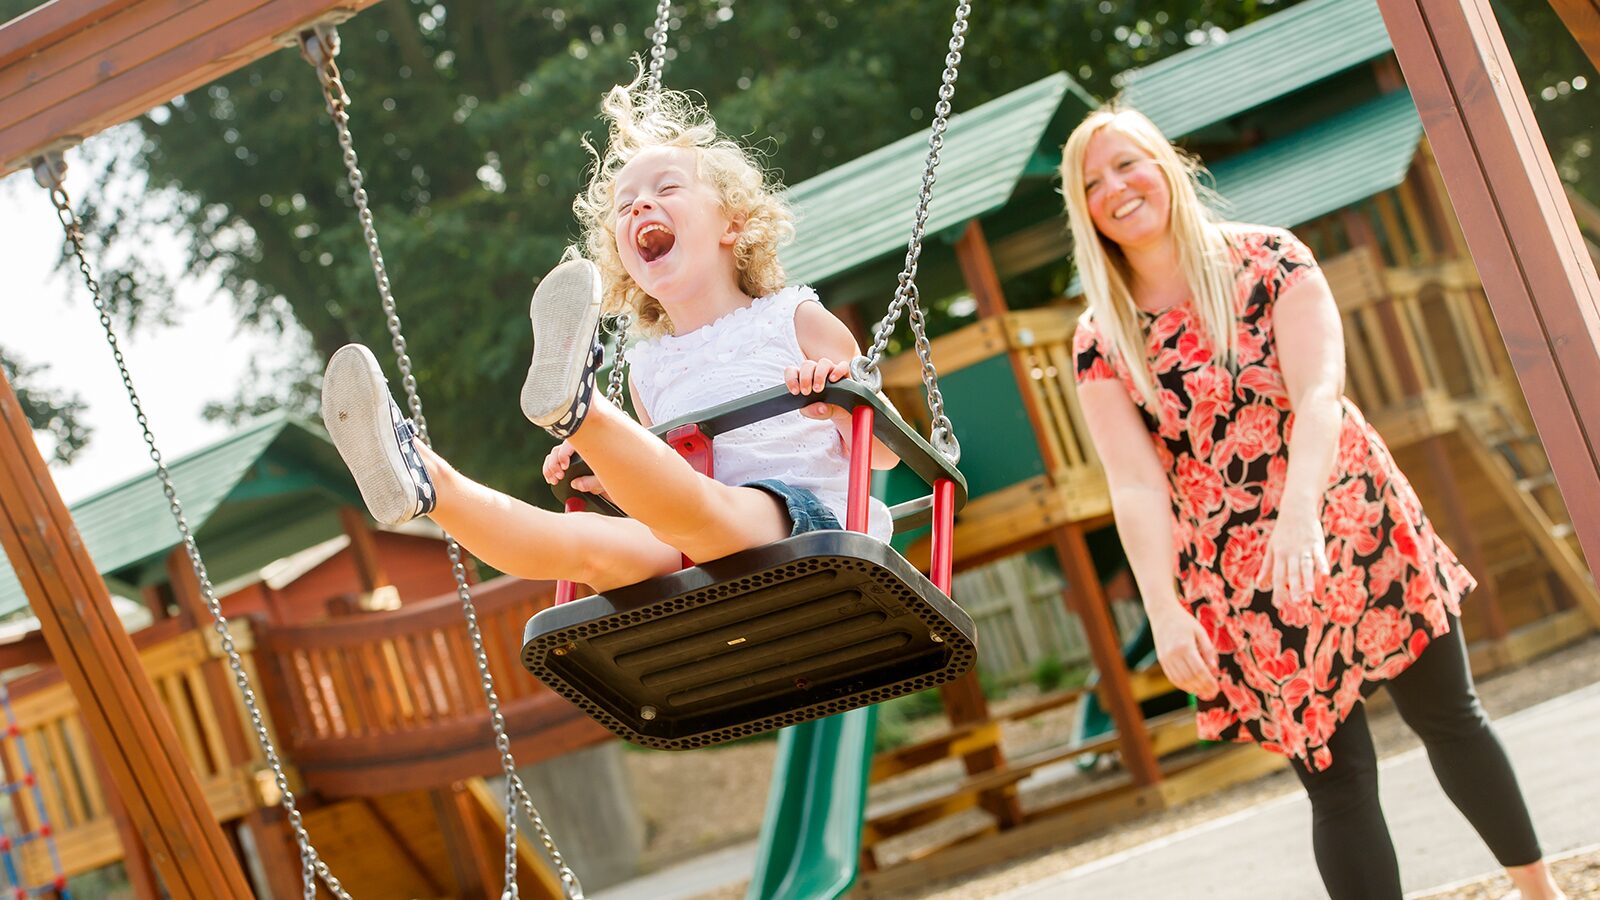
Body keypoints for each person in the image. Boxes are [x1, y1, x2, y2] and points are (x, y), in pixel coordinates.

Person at [1062, 106, 1564, 900]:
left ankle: (1543, 893)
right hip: (1244, 573)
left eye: (1128, 164)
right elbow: (1134, 483)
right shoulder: (1102, 336)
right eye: (1092, 182)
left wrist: (1301, 517)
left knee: (1449, 718)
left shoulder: (1270, 259)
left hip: (1351, 514)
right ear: (1082, 209)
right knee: (1337, 779)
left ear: (1169, 165)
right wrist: (1163, 606)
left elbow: (1320, 392)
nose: (1115, 188)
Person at [319, 72, 897, 598]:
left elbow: (887, 457)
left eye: (667, 189)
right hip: (700, 552)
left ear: (734, 223)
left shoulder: (794, 319)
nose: (642, 202)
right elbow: (674, 484)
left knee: (708, 509)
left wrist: (840, 406)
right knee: (582, 540)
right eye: (625, 206)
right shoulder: (651, 369)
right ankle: (428, 481)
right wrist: (616, 474)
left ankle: (584, 409)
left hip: (808, 532)